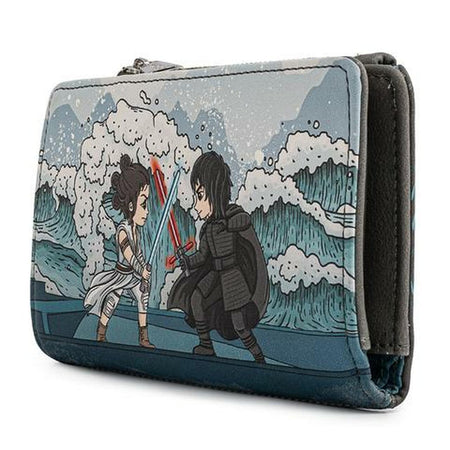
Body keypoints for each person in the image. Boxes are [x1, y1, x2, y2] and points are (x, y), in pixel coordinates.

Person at [168, 151, 269, 362]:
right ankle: (206, 345)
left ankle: (258, 356)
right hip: (215, 275)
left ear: (214, 191)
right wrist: (187, 261)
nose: (196, 205)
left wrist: (234, 222)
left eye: (200, 195)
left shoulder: (233, 217)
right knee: (196, 298)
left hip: (233, 277)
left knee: (239, 322)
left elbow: (244, 221)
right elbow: (202, 256)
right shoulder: (208, 229)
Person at [84, 154, 154, 348]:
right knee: (111, 301)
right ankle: (100, 334)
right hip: (121, 274)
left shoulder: (135, 230)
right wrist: (141, 270)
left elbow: (138, 255)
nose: (147, 210)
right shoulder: (123, 230)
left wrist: (144, 273)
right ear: (131, 205)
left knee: (143, 297)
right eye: (144, 204)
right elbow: (129, 256)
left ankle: (143, 338)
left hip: (133, 275)